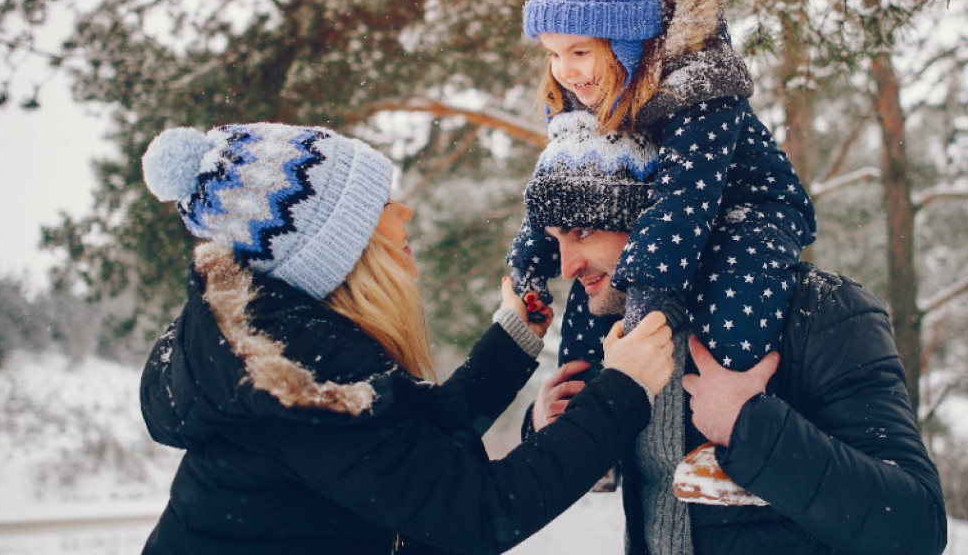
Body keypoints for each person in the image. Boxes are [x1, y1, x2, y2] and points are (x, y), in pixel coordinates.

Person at [135, 121, 674, 555]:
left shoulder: (289, 356)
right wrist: (622, 389)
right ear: (342, 251)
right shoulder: (296, 384)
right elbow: (477, 513)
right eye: (382, 208)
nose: (405, 213)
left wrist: (510, 344)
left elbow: (408, 453)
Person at [520, 113, 948, 555]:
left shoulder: (821, 311)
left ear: (654, 219)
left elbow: (918, 526)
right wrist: (548, 428)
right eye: (556, 240)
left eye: (583, 232)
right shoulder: (620, 334)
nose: (567, 266)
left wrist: (751, 425)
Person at [508, 0, 818, 380]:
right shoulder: (584, 90)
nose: (565, 70)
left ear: (626, 40)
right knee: (596, 303)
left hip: (743, 206)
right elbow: (566, 192)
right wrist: (530, 268)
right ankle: (582, 419)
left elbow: (683, 199)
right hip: (660, 212)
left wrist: (645, 302)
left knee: (733, 301)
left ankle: (727, 418)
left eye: (580, 51)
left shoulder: (700, 84)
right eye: (552, 53)